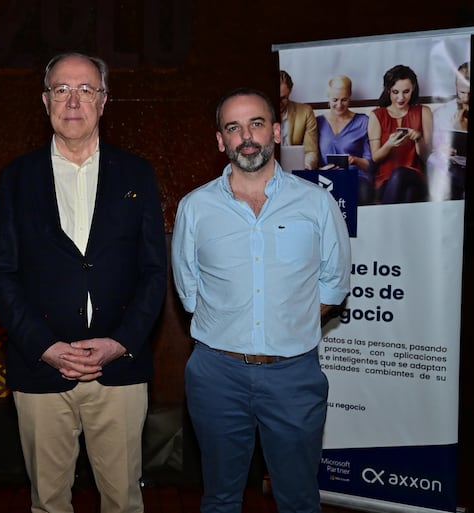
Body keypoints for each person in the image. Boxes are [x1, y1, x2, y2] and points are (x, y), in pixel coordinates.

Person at [0, 52, 167, 513]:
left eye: (85, 89)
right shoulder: (15, 177)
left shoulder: (137, 174)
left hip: (120, 370)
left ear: (104, 101)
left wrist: (121, 343)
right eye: (61, 89)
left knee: (124, 502)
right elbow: (2, 274)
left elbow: (153, 273)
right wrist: (44, 346)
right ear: (45, 100)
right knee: (47, 503)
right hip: (41, 367)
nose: (73, 100)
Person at [171, 88, 351, 513]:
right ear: (221, 140)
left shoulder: (317, 203)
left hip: (293, 375)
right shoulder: (194, 208)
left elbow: (333, 285)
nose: (246, 136)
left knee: (299, 500)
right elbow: (189, 290)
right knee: (219, 499)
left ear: (275, 130)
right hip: (216, 376)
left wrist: (286, 321)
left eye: (255, 124)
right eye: (233, 127)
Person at [367, 64, 433, 204]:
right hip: (385, 180)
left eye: (406, 91)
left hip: (415, 175)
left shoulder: (423, 112)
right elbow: (376, 157)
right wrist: (389, 144)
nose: (401, 98)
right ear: (388, 90)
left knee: (401, 174)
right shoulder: (377, 115)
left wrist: (418, 139)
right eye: (395, 92)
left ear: (413, 88)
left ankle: (384, 221)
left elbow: (427, 157)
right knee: (409, 193)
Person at [316, 75, 374, 204]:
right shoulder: (318, 122)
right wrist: (320, 170)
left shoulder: (363, 121)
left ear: (350, 97)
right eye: (335, 100)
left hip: (356, 178)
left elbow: (370, 164)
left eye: (344, 100)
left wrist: (355, 160)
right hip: (326, 178)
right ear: (328, 97)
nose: (339, 105)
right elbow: (310, 158)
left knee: (362, 192)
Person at [428, 61, 469, 200]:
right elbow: (433, 146)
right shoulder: (442, 113)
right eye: (463, 92)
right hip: (450, 165)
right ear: (456, 86)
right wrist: (441, 148)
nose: (467, 98)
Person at [280, 70, 319, 169]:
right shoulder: (259, 114)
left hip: (296, 172)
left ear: (290, 92)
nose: (279, 102)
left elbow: (311, 151)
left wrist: (306, 166)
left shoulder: (305, 112)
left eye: (283, 98)